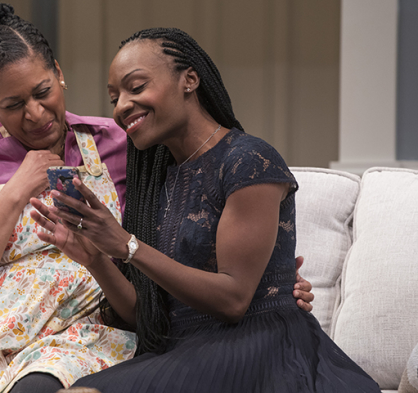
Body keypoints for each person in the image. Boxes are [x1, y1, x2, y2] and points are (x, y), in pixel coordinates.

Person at [0, 2, 314, 393]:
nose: (35, 113)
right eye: (12, 104)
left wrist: (268, 285)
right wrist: (13, 195)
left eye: (43, 91)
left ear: (59, 73)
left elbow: (197, 217)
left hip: (85, 336)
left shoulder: (124, 144)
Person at [30, 27, 380, 392]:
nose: (121, 107)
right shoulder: (156, 185)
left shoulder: (248, 160)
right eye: (114, 98)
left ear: (190, 80)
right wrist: (95, 258)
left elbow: (233, 300)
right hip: (187, 349)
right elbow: (144, 316)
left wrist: (128, 246)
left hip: (259, 349)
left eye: (136, 88)